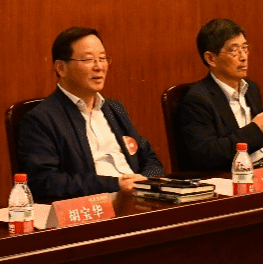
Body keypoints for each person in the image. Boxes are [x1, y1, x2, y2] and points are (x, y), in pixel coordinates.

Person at [18, 27, 164, 203]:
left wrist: (144, 181)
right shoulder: (41, 119)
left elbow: (150, 158)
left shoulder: (114, 109)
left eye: (102, 58)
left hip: (137, 200)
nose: (99, 67)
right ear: (61, 68)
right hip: (95, 207)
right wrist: (116, 184)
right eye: (88, 60)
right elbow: (45, 181)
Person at [176, 18, 263, 172]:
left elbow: (262, 138)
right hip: (232, 176)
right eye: (234, 50)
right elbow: (208, 155)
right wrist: (256, 131)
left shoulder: (251, 88)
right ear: (211, 58)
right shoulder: (198, 99)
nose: (243, 57)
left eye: (245, 48)